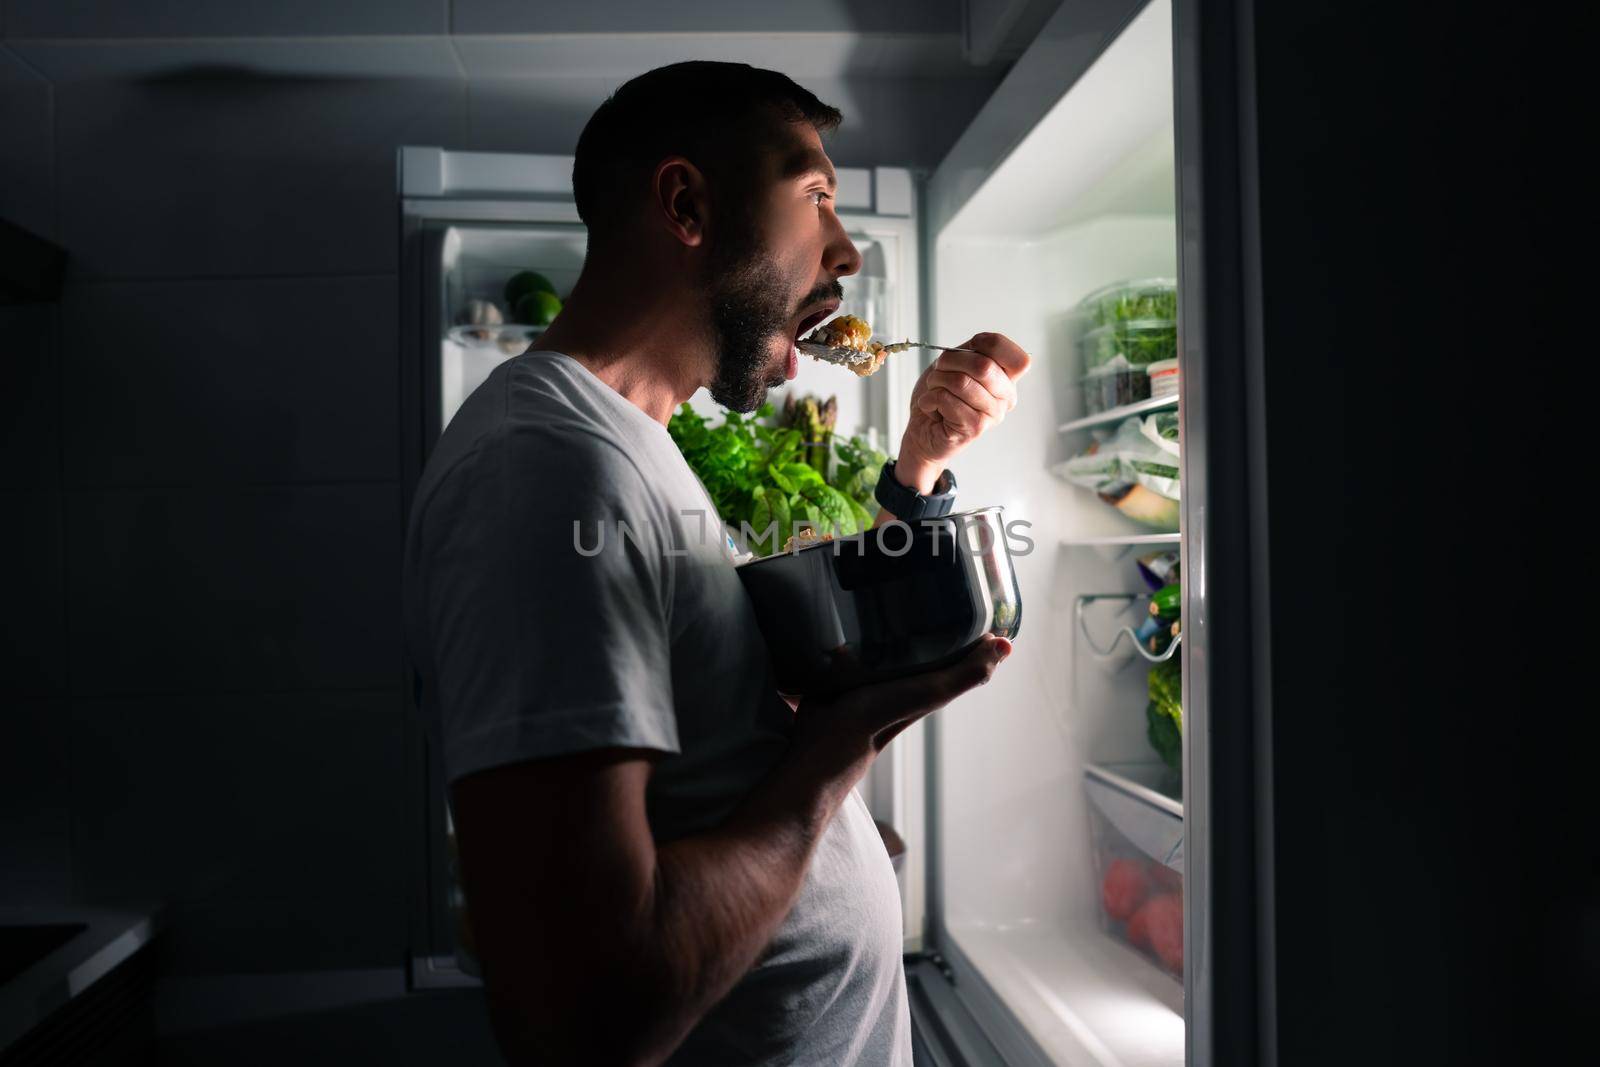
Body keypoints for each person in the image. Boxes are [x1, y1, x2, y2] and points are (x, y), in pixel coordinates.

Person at [402, 61, 1030, 1066]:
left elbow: (722, 736)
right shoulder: (546, 470)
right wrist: (840, 749)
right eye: (816, 196)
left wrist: (916, 469)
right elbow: (583, 1020)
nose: (849, 250)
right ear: (687, 204)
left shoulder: (633, 442)